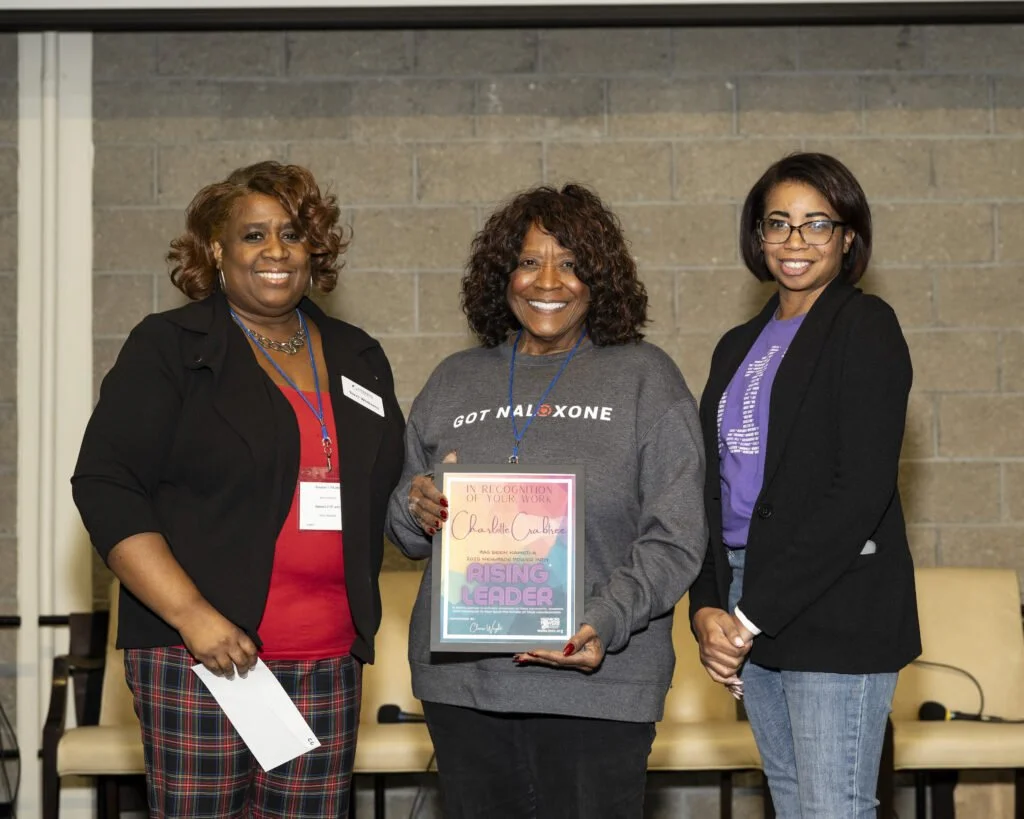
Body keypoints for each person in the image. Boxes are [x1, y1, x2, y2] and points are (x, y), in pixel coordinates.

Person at [72, 161, 405, 819]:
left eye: (292, 233)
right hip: (204, 658)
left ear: (315, 248)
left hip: (328, 658)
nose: (276, 251)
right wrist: (193, 613)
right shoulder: (171, 348)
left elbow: (383, 486)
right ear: (218, 250)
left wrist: (425, 495)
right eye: (254, 235)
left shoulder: (355, 354)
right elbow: (106, 485)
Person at [385, 183, 707, 819]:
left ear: (599, 279)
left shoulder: (647, 377)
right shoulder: (454, 379)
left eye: (571, 263)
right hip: (466, 686)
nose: (548, 281)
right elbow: (405, 521)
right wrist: (414, 506)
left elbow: (676, 535)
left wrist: (604, 621)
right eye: (530, 261)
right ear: (502, 275)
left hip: (598, 682)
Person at [688, 152, 921, 818]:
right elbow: (714, 484)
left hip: (831, 600)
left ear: (848, 238)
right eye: (778, 223)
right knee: (792, 804)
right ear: (756, 236)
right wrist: (708, 604)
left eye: (817, 223)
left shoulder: (865, 327)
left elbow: (860, 490)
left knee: (831, 807)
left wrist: (751, 611)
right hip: (744, 593)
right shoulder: (738, 343)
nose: (795, 242)